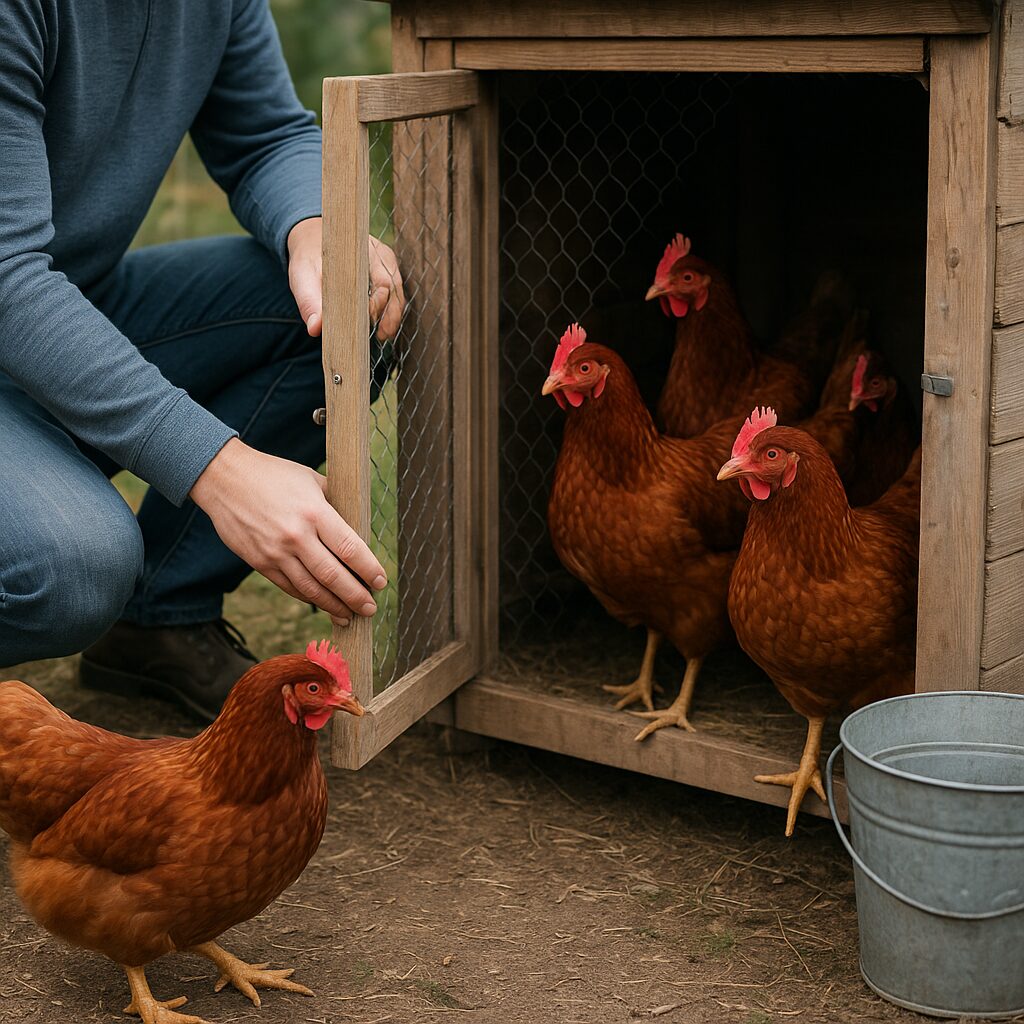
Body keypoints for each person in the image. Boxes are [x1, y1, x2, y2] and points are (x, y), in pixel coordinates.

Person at [0, 0, 405, 720]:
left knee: (349, 309)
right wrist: (219, 468)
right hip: (16, 298)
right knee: (73, 565)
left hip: (72, 306)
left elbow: (265, 135)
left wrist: (315, 231)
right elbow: (7, 277)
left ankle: (159, 619)